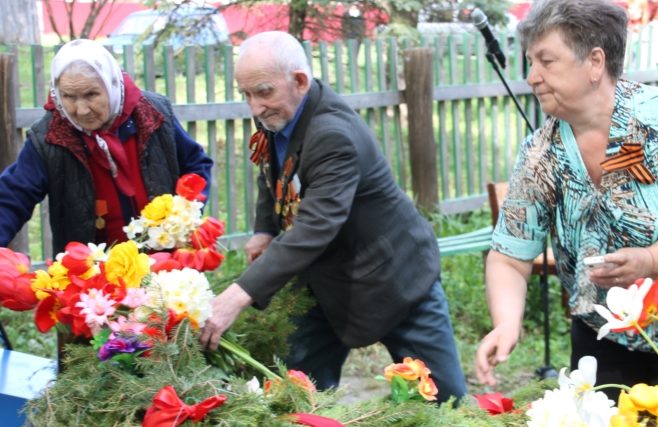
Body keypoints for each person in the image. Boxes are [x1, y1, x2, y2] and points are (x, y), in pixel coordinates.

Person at [199, 31, 467, 403]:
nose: (254, 107)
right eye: (246, 94)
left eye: (262, 92)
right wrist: (264, 229)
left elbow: (314, 226)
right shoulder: (280, 112)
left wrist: (238, 295)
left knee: (445, 402)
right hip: (319, 280)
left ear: (299, 81)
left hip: (394, 278)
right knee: (295, 395)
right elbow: (272, 172)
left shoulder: (331, 134)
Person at [474, 0, 658, 401]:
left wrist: (650, 262)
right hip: (601, 343)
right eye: (530, 61)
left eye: (546, 61)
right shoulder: (541, 153)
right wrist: (506, 323)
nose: (531, 77)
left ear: (595, 63)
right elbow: (509, 255)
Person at [0, 39, 213, 306]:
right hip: (94, 287)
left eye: (91, 95)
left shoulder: (153, 114)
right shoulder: (50, 137)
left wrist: (185, 214)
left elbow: (196, 165)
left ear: (113, 84)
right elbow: (11, 198)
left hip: (167, 274)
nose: (80, 110)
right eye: (69, 97)